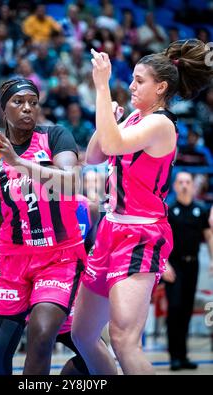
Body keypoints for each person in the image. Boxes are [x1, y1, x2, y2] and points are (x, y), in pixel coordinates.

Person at [71, 39, 213, 375]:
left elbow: (111, 144)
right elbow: (94, 154)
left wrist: (103, 87)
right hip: (111, 227)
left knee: (124, 340)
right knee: (83, 333)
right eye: (132, 79)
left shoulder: (162, 124)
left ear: (161, 87)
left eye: (139, 80)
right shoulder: (137, 117)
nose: (132, 86)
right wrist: (111, 114)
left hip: (140, 232)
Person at [0, 78, 86, 375]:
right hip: (13, 260)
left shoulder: (55, 136)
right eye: (18, 102)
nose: (28, 108)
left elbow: (72, 182)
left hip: (59, 257)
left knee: (40, 336)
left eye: (33, 103)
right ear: (3, 109)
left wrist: (17, 161)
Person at [0, 195, 99, 375]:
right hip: (22, 291)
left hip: (61, 291)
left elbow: (90, 255)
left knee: (94, 360)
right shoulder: (29, 207)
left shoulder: (89, 209)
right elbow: (4, 259)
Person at [162, 171, 213, 371]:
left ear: (193, 186)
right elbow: (160, 240)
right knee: (174, 309)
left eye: (188, 182)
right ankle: (174, 356)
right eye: (180, 182)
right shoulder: (169, 209)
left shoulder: (200, 210)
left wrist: (212, 260)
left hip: (193, 265)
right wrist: (164, 263)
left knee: (185, 311)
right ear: (175, 186)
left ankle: (183, 356)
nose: (184, 185)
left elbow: (209, 237)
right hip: (173, 267)